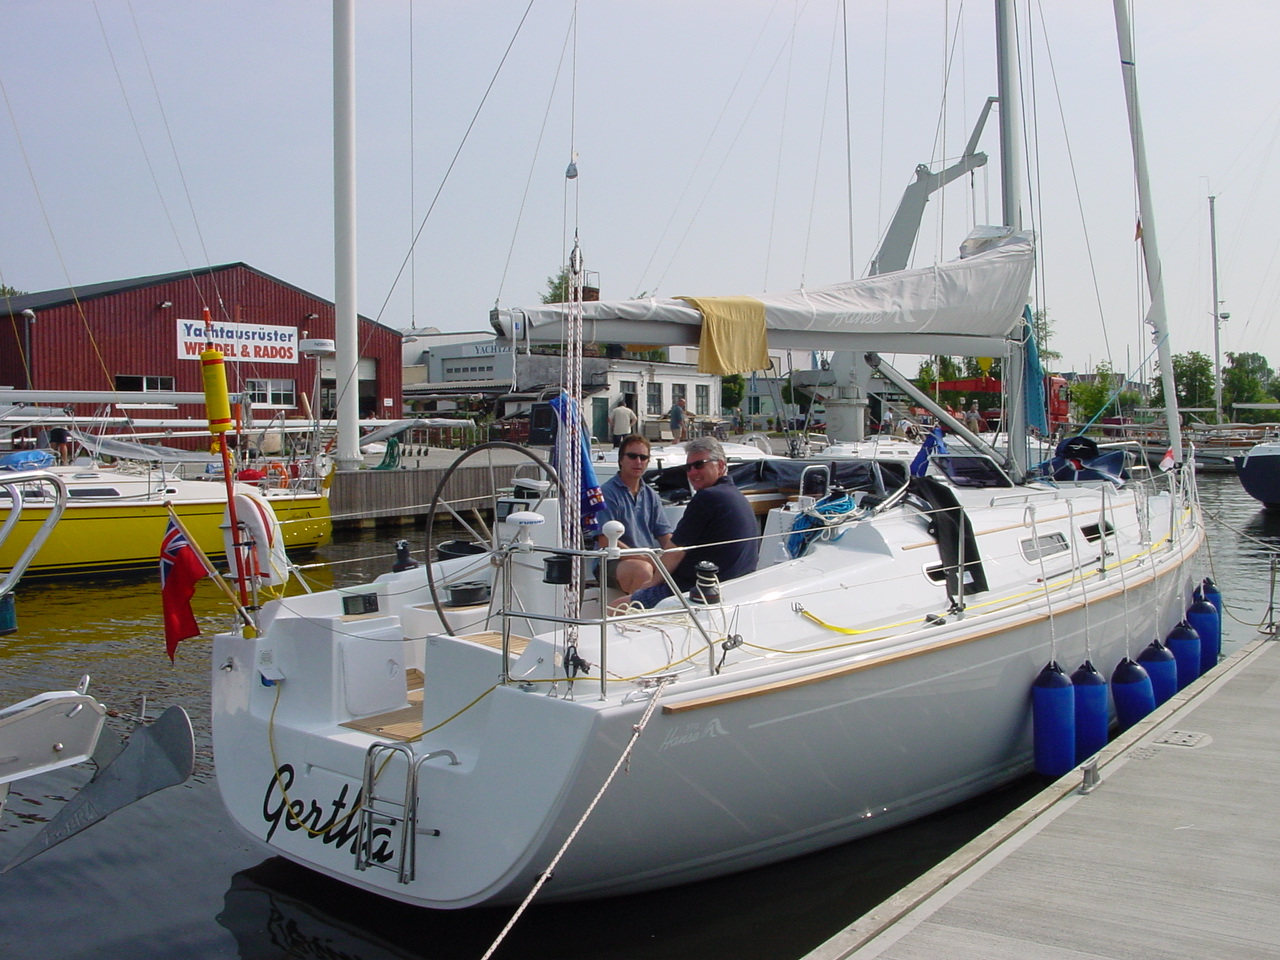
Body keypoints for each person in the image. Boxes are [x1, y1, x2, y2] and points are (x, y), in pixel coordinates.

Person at [619, 436, 760, 609]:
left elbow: (676, 551)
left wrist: (651, 584)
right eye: (688, 467)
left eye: (700, 465)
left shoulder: (708, 497)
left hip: (693, 590)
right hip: (730, 587)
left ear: (721, 466)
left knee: (614, 608)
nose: (693, 472)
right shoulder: (737, 496)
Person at [596, 435, 674, 593]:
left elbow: (665, 536)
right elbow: (605, 540)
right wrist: (647, 560)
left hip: (646, 559)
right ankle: (640, 617)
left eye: (643, 457)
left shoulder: (651, 495)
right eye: (632, 456)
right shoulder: (607, 493)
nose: (638, 461)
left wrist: (678, 556)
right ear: (621, 460)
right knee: (642, 569)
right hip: (611, 562)